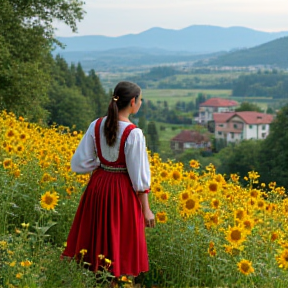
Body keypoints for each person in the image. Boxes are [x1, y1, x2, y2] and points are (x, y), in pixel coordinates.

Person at [62, 81, 154, 279]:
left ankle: (97, 279)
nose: (140, 103)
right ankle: (113, 281)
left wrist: (102, 164)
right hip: (122, 191)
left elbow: (78, 163)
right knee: (119, 237)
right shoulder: (134, 133)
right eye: (140, 100)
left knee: (98, 234)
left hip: (98, 185)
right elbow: (139, 179)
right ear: (132, 102)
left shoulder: (96, 124)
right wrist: (146, 209)